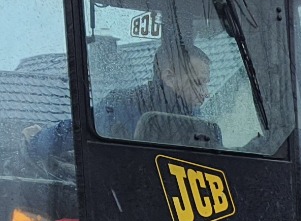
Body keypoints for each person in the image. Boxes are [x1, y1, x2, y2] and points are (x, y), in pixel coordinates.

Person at [26, 39, 212, 159]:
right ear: (169, 77)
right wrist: (33, 143)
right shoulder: (122, 106)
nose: (205, 93)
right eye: (197, 83)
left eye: (205, 84)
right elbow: (74, 132)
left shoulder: (195, 118)